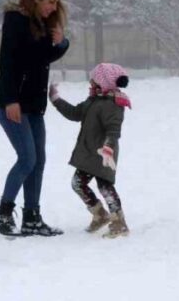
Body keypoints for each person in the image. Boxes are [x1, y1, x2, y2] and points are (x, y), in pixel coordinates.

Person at [0, 0, 70, 237]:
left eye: (57, 3)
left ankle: (31, 217)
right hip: (12, 103)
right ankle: (3, 214)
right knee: (27, 158)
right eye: (50, 1)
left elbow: (41, 58)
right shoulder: (16, 20)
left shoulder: (43, 23)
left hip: (34, 104)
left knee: (39, 160)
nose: (53, 7)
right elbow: (8, 62)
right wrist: (11, 99)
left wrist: (61, 43)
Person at [49, 63, 132, 238]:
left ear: (103, 82)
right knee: (78, 183)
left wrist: (108, 147)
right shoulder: (93, 100)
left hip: (104, 155)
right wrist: (56, 99)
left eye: (93, 80)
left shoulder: (113, 103)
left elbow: (114, 130)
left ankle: (119, 223)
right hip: (89, 154)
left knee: (105, 187)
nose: (90, 83)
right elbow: (74, 113)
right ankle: (100, 214)